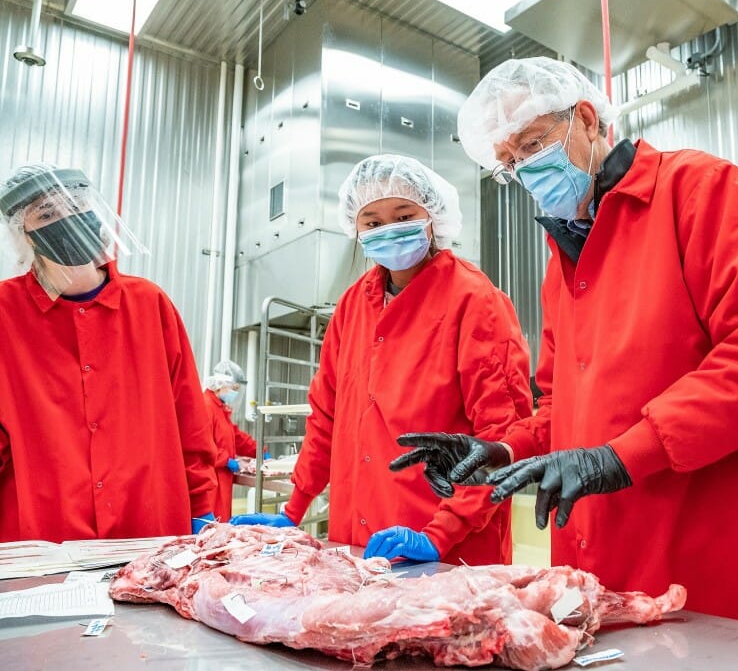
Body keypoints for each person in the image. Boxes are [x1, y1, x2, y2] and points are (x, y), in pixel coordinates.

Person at [392, 57, 738, 639]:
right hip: (605, 574)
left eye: (532, 144)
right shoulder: (563, 261)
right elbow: (562, 404)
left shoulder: (704, 192)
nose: (525, 168)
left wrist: (623, 455)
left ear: (586, 119)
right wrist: (500, 451)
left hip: (727, 569)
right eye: (510, 162)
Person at [231, 155, 533, 566]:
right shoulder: (353, 306)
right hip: (357, 544)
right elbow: (326, 417)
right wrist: (293, 507)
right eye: (372, 222)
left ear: (432, 217)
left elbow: (501, 438)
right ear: (354, 227)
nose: (388, 229)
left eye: (403, 214)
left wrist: (439, 534)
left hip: (448, 554)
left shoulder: (475, 302)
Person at [0, 164, 217, 541]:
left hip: (147, 528)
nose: (66, 220)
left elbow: (189, 418)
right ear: (25, 235)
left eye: (74, 206)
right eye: (47, 214)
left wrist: (202, 507)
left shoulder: (149, 304)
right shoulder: (5, 312)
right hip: (41, 538)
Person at [203, 359, 260, 522]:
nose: (235, 393)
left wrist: (260, 451)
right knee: (210, 530)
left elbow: (236, 436)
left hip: (222, 481)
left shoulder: (220, 408)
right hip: (211, 483)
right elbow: (204, 446)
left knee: (220, 526)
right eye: (234, 389)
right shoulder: (206, 406)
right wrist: (227, 461)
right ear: (222, 384)